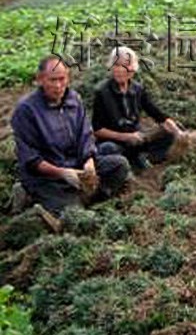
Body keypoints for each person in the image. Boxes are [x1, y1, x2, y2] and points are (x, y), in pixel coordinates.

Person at [10, 56, 130, 220]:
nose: (58, 86)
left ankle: (82, 197)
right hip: (46, 177)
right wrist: (63, 173)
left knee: (119, 166)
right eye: (52, 80)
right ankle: (30, 195)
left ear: (68, 77)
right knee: (73, 215)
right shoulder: (26, 110)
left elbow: (85, 135)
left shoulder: (74, 99)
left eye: (62, 79)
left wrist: (89, 162)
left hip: (76, 165)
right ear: (40, 79)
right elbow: (30, 158)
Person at [93, 46, 183, 170]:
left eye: (124, 66)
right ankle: (127, 164)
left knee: (170, 130)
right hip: (116, 141)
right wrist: (125, 137)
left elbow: (156, 113)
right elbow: (97, 129)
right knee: (107, 149)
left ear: (132, 70)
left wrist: (177, 131)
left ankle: (146, 158)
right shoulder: (102, 92)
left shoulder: (138, 89)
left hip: (137, 138)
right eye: (116, 65)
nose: (120, 70)